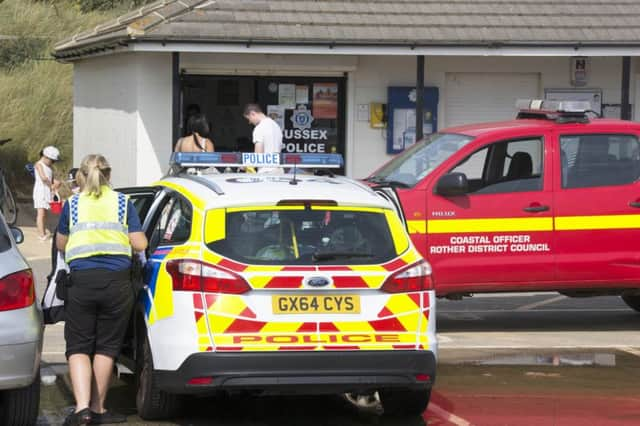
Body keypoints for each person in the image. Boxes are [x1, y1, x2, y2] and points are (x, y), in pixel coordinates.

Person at [56, 154, 147, 426]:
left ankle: (81, 410)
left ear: (81, 175)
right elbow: (140, 243)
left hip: (82, 283)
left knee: (79, 347)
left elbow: (61, 244)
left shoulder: (72, 204)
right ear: (109, 174)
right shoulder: (122, 202)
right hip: (117, 284)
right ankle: (98, 409)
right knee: (107, 347)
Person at [243, 103, 283, 173]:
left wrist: (246, 165)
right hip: (278, 169)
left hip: (266, 172)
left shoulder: (259, 128)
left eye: (249, 119)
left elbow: (258, 154)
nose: (249, 122)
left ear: (253, 113)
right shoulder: (276, 126)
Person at [33, 146, 61, 240]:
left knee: (45, 213)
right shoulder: (39, 164)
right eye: (52, 161)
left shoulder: (49, 167)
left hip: (47, 191)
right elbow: (44, 178)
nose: (52, 163)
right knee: (41, 213)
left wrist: (56, 183)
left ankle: (44, 230)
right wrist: (51, 186)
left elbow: (51, 178)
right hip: (40, 191)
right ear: (45, 156)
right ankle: (41, 234)